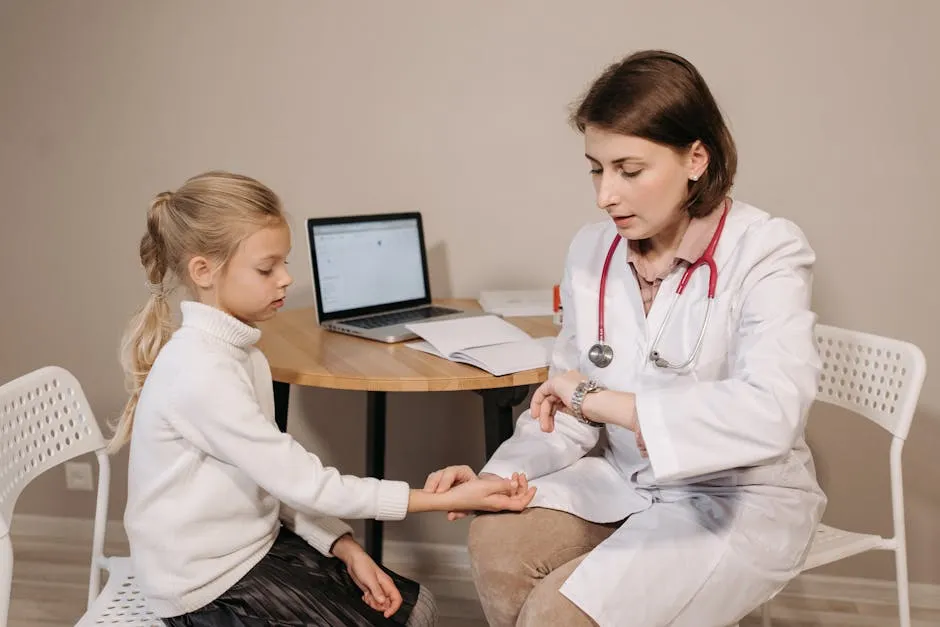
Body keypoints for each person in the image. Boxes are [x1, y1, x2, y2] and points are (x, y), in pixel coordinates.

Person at [425, 50, 827, 627]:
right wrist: (495, 477)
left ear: (695, 157)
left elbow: (771, 409)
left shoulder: (766, 249)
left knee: (555, 615)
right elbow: (562, 409)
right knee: (497, 540)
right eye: (596, 168)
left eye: (629, 170)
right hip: (624, 479)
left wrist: (599, 400)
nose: (604, 195)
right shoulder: (592, 250)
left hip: (737, 499)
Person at [111, 171, 537, 627]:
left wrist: (343, 545)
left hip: (253, 545)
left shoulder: (244, 355)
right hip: (205, 586)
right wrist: (439, 500)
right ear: (203, 272)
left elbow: (278, 480)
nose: (286, 279)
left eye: (284, 263)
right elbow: (306, 482)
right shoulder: (201, 371)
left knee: (416, 607)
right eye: (266, 268)